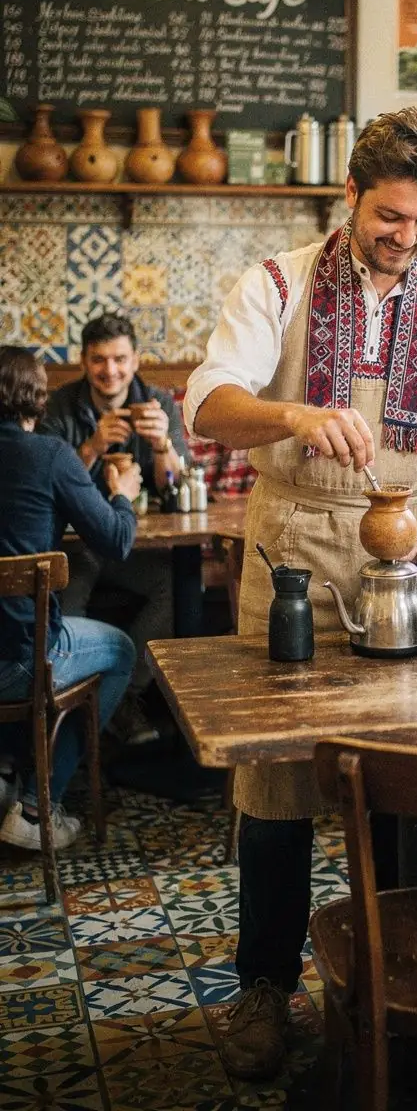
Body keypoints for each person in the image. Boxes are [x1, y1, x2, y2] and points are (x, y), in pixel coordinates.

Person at [184, 107, 417, 1081]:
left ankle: (415, 982)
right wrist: (293, 413)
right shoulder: (276, 283)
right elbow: (209, 404)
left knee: (415, 778)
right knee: (277, 792)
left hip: (405, 559)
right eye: (389, 219)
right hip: (288, 556)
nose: (406, 239)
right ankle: (264, 989)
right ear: (350, 197)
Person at [0, 347, 138, 851]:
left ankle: (8, 771)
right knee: (121, 649)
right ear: (37, 399)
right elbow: (117, 542)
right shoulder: (50, 454)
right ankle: (37, 806)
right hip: (22, 658)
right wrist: (121, 491)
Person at [40, 313, 187, 742]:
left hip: (137, 548)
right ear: (84, 362)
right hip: (77, 546)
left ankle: (122, 695)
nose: (111, 370)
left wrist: (163, 447)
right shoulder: (58, 406)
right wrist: (91, 447)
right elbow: (49, 487)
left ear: (136, 360)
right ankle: (64, 708)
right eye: (100, 360)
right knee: (65, 595)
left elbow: (176, 490)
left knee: (174, 586)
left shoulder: (158, 402)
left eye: (120, 359)